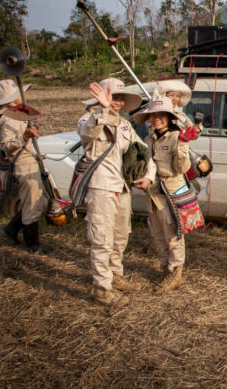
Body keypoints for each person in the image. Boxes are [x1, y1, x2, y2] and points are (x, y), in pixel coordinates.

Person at [78, 78, 156, 307]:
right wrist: (101, 109)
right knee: (102, 238)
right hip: (102, 187)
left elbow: (142, 151)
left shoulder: (124, 125)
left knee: (121, 235)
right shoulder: (90, 118)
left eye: (121, 98)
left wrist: (149, 175)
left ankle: (115, 275)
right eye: (114, 97)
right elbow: (87, 135)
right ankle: (102, 289)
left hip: (122, 187)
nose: (118, 103)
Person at [132, 92, 198, 292]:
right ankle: (165, 267)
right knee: (156, 233)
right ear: (149, 119)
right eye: (153, 115)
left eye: (162, 115)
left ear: (170, 117)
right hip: (152, 193)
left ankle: (175, 273)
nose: (157, 119)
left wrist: (183, 145)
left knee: (173, 233)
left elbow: (180, 168)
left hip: (170, 192)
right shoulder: (148, 138)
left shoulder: (177, 137)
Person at [0, 79, 49, 253]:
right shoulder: (8, 118)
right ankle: (32, 245)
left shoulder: (13, 113)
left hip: (28, 160)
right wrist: (25, 137)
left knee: (36, 201)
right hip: (23, 163)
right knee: (32, 204)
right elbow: (7, 145)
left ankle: (11, 229)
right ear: (11, 100)